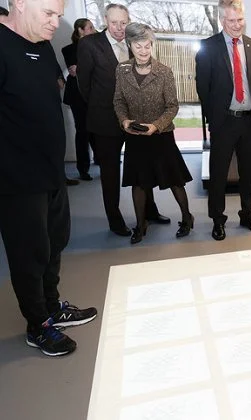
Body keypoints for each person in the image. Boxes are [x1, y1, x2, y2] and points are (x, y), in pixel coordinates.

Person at [0, 0, 97, 357]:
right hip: (16, 178)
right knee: (30, 253)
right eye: (49, 14)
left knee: (55, 242)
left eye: (59, 15)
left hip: (52, 170)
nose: (56, 23)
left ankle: (53, 306)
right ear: (20, 4)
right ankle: (37, 324)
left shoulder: (41, 46)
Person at [78, 4, 170, 237]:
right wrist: (106, 108)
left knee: (143, 166)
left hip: (137, 119)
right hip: (105, 121)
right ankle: (115, 219)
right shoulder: (89, 44)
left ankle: (149, 210)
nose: (119, 28)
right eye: (114, 23)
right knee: (110, 173)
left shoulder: (135, 42)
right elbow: (84, 87)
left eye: (123, 22)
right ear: (105, 21)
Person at [114, 23, 194, 244]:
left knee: (175, 181)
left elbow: (172, 106)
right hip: (135, 137)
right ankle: (140, 225)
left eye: (147, 46)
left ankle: (187, 218)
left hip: (161, 136)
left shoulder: (164, 72)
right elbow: (118, 101)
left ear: (152, 45)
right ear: (130, 45)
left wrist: (156, 126)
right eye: (138, 46)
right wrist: (124, 120)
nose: (143, 50)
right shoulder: (121, 70)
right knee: (138, 183)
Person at [195, 0, 251, 241]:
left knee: (248, 173)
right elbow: (203, 88)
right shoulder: (208, 47)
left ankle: (247, 214)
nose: (237, 25)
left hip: (248, 122)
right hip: (224, 122)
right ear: (222, 21)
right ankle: (218, 219)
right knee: (218, 174)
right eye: (232, 21)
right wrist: (213, 120)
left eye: (240, 20)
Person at [62, 18, 96, 181]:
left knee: (96, 127)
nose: (94, 30)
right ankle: (83, 169)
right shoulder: (68, 49)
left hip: (94, 94)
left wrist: (83, 68)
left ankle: (100, 159)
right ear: (80, 30)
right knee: (83, 130)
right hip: (77, 95)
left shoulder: (97, 47)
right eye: (90, 27)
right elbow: (75, 72)